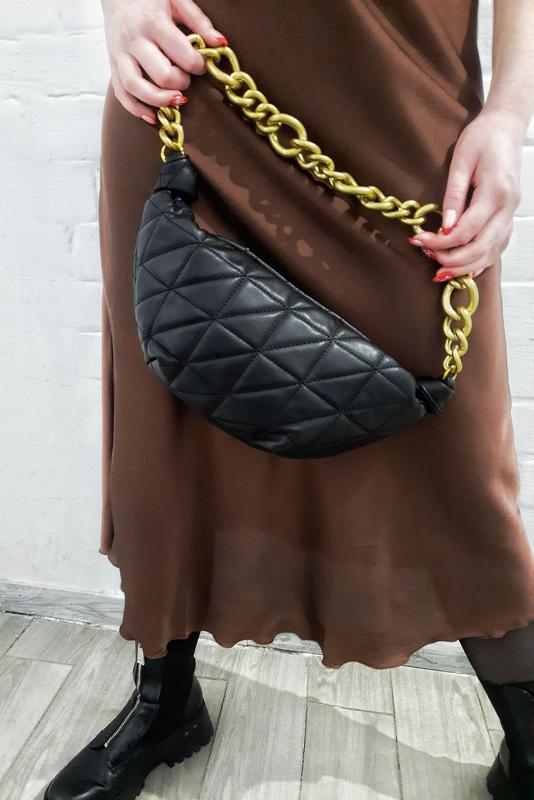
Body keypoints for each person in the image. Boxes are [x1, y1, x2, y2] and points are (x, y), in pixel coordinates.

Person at [44, 1, 534, 798]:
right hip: (189, 94)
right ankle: (165, 701)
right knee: (168, 426)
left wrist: (509, 116)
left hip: (399, 101)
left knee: (453, 456)